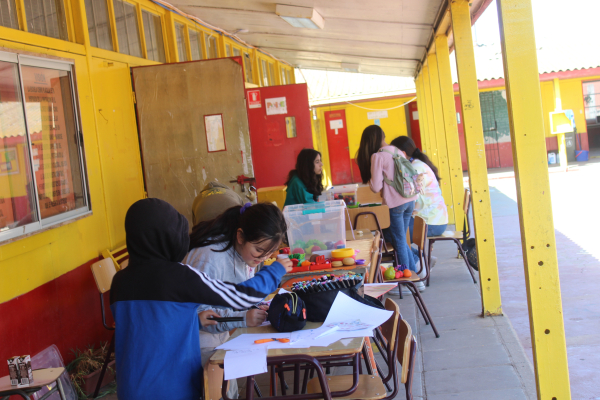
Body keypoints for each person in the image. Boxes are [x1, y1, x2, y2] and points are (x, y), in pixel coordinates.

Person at [110, 198, 292, 400]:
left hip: (130, 390)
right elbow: (240, 296)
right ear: (168, 237)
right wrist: (275, 270)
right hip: (173, 388)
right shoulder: (178, 276)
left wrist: (193, 319)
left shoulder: (119, 282)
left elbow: (152, 325)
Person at [183, 202, 289, 398]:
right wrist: (243, 317)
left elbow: (239, 293)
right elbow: (201, 318)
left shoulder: (243, 252)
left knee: (232, 388)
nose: (262, 258)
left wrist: (254, 305)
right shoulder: (209, 258)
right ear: (240, 236)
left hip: (221, 338)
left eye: (268, 254)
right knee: (221, 391)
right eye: (259, 250)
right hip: (197, 345)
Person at [356, 126, 422, 290]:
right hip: (410, 200)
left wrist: (373, 179)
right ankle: (415, 273)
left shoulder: (377, 156)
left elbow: (376, 187)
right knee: (401, 239)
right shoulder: (397, 151)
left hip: (396, 205)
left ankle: (411, 282)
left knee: (399, 241)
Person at [390, 136, 448, 239]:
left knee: (393, 235)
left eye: (393, 155)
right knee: (393, 232)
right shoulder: (416, 164)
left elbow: (415, 200)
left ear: (402, 153)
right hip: (432, 219)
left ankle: (414, 256)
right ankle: (413, 255)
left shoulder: (415, 168)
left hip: (431, 222)